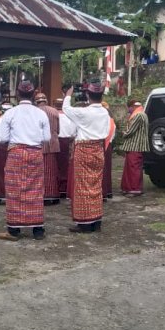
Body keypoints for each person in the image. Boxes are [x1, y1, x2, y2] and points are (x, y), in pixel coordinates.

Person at [0, 81, 50, 240]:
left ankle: (14, 230)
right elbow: (46, 137)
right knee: (36, 188)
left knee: (14, 189)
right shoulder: (41, 113)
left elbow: (4, 138)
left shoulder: (10, 113)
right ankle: (38, 230)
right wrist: (32, 139)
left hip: (16, 152)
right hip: (35, 153)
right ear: (34, 94)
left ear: (18, 94)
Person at [62, 80, 110, 233]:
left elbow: (66, 109)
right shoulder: (105, 112)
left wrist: (68, 95)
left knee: (82, 187)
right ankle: (96, 220)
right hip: (98, 149)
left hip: (84, 149)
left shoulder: (84, 112)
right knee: (96, 185)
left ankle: (85, 222)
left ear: (88, 95)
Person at [34, 93, 61, 205]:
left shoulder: (34, 112)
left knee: (39, 171)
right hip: (53, 144)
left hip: (39, 144)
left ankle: (41, 194)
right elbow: (58, 129)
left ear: (36, 101)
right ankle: (53, 194)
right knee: (52, 171)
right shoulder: (54, 111)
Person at [120, 99, 149, 196]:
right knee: (132, 168)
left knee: (133, 168)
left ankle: (134, 189)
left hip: (135, 145)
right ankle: (129, 188)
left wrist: (124, 133)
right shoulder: (143, 114)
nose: (128, 110)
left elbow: (131, 130)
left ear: (133, 106)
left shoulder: (138, 115)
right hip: (136, 146)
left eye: (129, 108)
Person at [55, 97, 76, 199]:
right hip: (67, 141)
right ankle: (65, 187)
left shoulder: (52, 115)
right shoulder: (69, 117)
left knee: (56, 165)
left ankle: (57, 187)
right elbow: (73, 132)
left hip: (56, 141)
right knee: (66, 165)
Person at [100, 102, 116, 200]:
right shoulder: (112, 121)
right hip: (108, 144)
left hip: (103, 144)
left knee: (102, 169)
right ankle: (108, 191)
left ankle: (103, 191)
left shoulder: (104, 121)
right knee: (107, 169)